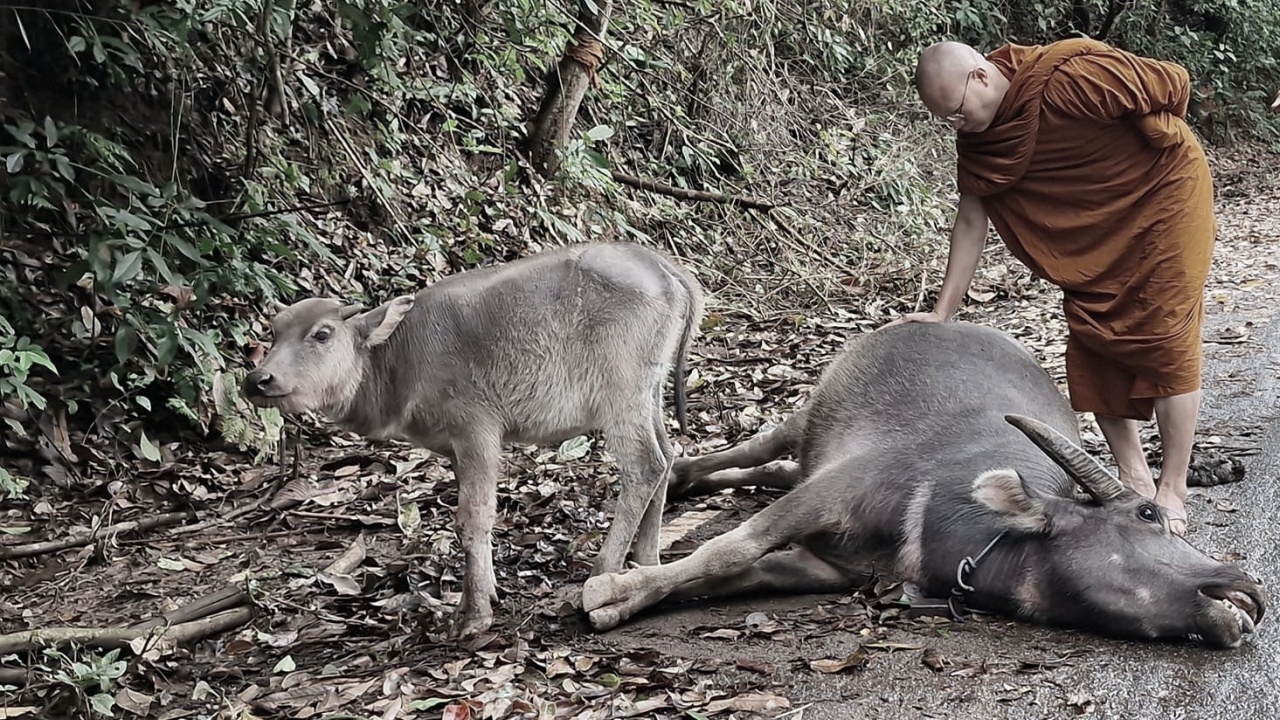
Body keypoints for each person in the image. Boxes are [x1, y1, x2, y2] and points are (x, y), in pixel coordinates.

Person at [886, 38, 1218, 536]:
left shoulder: (1067, 79)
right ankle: (1132, 474)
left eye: (954, 111)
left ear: (980, 76)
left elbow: (1172, 84)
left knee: (1165, 335)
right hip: (1092, 230)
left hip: (1162, 199)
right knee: (1093, 336)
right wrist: (943, 310)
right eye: (943, 119)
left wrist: (1147, 133)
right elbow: (972, 218)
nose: (953, 124)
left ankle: (1173, 485)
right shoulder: (981, 137)